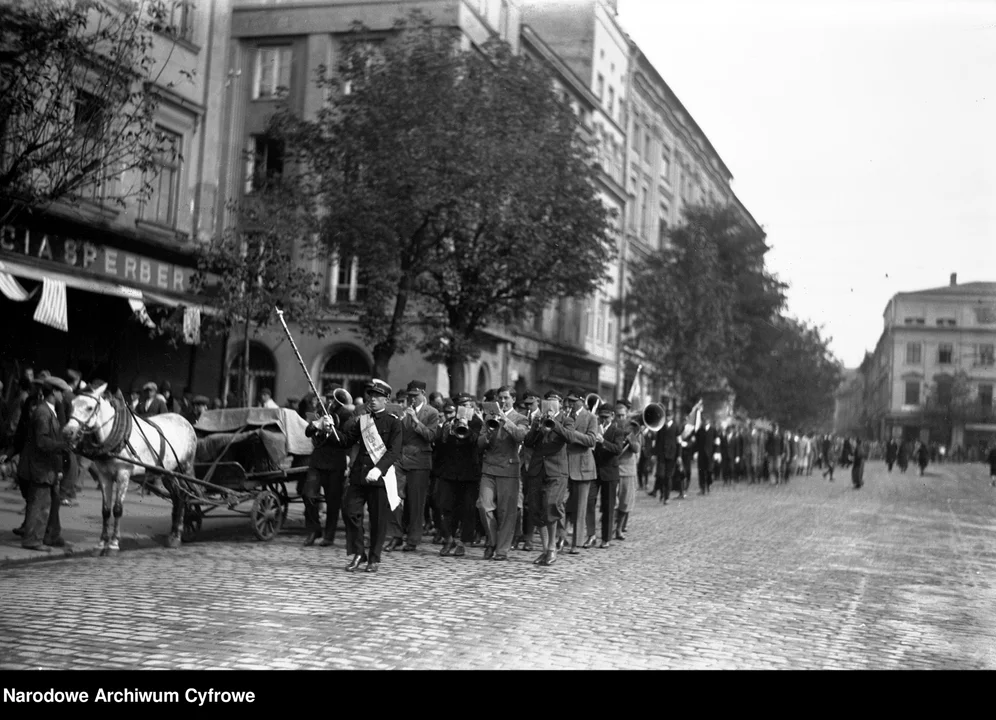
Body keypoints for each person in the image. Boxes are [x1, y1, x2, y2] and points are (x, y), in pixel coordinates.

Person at [333, 379, 403, 573]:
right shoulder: (364, 420)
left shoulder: (394, 423)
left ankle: (374, 558)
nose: (372, 400)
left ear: (386, 400)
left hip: (379, 478)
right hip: (359, 475)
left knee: (378, 520)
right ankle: (358, 552)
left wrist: (379, 469)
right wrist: (331, 429)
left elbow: (394, 452)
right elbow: (346, 441)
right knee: (349, 511)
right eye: (371, 396)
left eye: (377, 397)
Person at [18, 376, 72, 551]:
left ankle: (37, 538)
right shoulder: (43, 412)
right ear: (54, 392)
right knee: (39, 505)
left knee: (42, 504)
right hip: (41, 468)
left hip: (46, 467)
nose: (63, 396)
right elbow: (42, 442)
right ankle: (32, 540)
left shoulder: (49, 411)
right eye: (61, 392)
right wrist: (62, 446)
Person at [477, 385, 528, 561]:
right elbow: (479, 443)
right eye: (501, 398)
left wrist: (505, 420)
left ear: (513, 399)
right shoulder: (489, 418)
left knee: (507, 512)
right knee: (484, 505)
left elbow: (521, 436)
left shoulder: (521, 418)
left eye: (506, 398)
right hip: (490, 468)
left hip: (509, 469)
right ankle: (492, 541)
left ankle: (502, 549)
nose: (503, 401)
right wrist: (489, 435)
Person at [388, 380, 439, 553]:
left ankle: (413, 539)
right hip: (401, 460)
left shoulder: (432, 413)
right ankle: (396, 536)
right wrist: (399, 421)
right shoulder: (403, 412)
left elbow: (431, 436)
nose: (412, 399)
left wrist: (415, 420)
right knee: (393, 497)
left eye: (415, 396)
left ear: (423, 394)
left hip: (419, 461)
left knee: (416, 503)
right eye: (410, 396)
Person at [523, 390, 571, 566]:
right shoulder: (538, 419)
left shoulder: (566, 420)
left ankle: (552, 548)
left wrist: (554, 423)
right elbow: (528, 442)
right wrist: (537, 427)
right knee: (536, 509)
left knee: (550, 505)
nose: (550, 405)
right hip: (538, 469)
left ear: (559, 403)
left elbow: (569, 437)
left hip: (556, 471)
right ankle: (545, 550)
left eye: (554, 402)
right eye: (547, 401)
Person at [302, 393, 354, 547]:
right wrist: (315, 425)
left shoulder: (346, 415)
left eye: (334, 399)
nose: (330, 402)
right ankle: (314, 529)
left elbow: (344, 439)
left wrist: (331, 429)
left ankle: (329, 535)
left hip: (336, 463)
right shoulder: (320, 412)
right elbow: (307, 432)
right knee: (308, 494)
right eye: (329, 398)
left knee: (333, 501)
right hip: (317, 461)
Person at [435, 393, 482, 558]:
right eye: (461, 405)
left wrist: (467, 429)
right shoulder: (449, 422)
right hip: (449, 472)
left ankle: (462, 542)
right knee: (444, 506)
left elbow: (479, 443)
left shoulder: (478, 422)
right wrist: (444, 435)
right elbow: (439, 447)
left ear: (472, 406)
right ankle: (448, 538)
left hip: (470, 473)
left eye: (467, 405)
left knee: (467, 508)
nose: (464, 408)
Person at [559, 388, 597, 554]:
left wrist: (572, 434)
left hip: (583, 467)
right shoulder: (564, 416)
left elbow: (591, 440)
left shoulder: (591, 417)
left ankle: (577, 543)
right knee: (559, 503)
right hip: (565, 466)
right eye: (569, 401)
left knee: (581, 507)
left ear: (582, 401)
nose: (570, 404)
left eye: (574, 401)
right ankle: (561, 537)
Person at [589, 404, 623, 548]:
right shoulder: (594, 427)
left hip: (610, 472)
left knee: (608, 505)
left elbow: (618, 449)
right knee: (589, 502)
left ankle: (606, 538)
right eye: (601, 417)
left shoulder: (617, 431)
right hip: (595, 471)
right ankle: (591, 535)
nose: (603, 420)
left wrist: (603, 441)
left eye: (606, 417)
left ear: (612, 417)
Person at [613, 403, 642, 542]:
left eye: (623, 415)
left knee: (625, 502)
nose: (621, 418)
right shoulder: (612, 428)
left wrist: (630, 439)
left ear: (627, 415)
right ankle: (612, 526)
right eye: (618, 416)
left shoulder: (635, 429)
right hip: (614, 469)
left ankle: (619, 528)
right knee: (613, 502)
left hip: (628, 470)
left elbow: (636, 449)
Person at [650, 407, 679, 502]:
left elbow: (679, 443)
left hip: (671, 455)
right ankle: (662, 493)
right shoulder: (661, 427)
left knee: (668, 476)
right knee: (661, 475)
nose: (668, 418)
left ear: (672, 416)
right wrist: (654, 454)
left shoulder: (676, 427)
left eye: (670, 416)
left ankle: (666, 497)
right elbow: (657, 441)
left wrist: (679, 456)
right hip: (661, 454)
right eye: (667, 416)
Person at [696, 415, 718, 494]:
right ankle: (702, 488)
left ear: (709, 421)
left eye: (706, 420)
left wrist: (716, 452)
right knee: (701, 471)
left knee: (709, 471)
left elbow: (717, 442)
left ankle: (708, 484)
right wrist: (695, 452)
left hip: (710, 454)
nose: (705, 422)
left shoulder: (713, 430)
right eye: (704, 421)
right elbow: (697, 442)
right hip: (701, 455)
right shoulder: (699, 430)